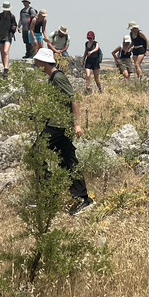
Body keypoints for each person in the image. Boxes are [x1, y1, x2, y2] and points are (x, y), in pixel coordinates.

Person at [32, 47, 95, 216]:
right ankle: (83, 199)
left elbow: (74, 99)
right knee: (68, 160)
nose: (35, 63)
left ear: (44, 62)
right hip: (57, 123)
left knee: (36, 152)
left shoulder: (58, 77)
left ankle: (46, 192)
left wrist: (77, 124)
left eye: (37, 60)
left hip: (59, 125)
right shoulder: (52, 78)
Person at [0, 1, 18, 77]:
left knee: (6, 51)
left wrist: (14, 28)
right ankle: (5, 68)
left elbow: (14, 25)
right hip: (0, 36)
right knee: (2, 53)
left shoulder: (12, 16)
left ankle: (6, 69)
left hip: (8, 36)